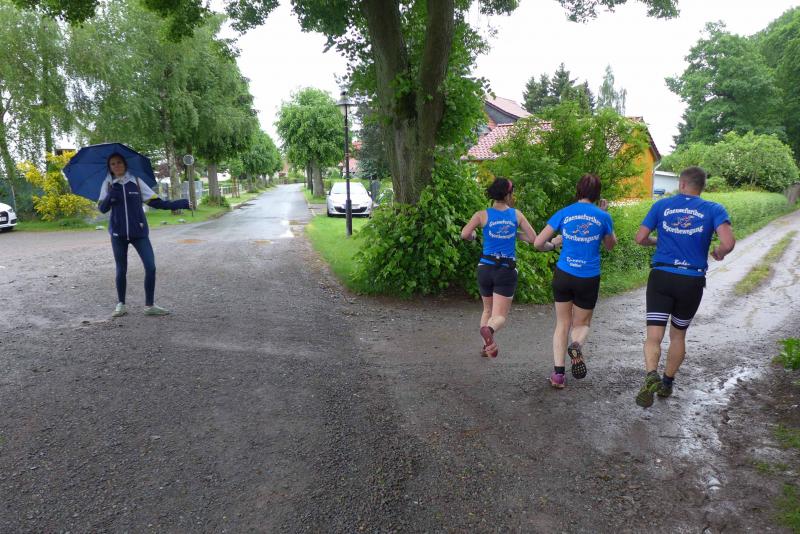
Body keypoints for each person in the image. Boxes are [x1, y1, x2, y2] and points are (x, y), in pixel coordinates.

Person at [634, 166, 735, 407]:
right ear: (702, 187)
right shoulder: (714, 209)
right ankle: (667, 383)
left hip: (662, 276)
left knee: (654, 335)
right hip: (691, 280)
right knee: (678, 335)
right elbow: (728, 242)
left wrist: (658, 241)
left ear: (681, 184)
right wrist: (719, 252)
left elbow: (640, 238)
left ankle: (651, 374)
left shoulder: (661, 205)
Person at [534, 174, 617, 388]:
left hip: (564, 274)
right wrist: (605, 217)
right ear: (597, 194)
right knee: (582, 324)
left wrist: (553, 244)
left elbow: (538, 242)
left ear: (578, 190)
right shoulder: (603, 216)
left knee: (562, 323)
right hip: (588, 278)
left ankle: (558, 375)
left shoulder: (564, 212)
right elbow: (610, 246)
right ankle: (577, 345)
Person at [97, 153, 190, 318]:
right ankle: (121, 304)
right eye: (113, 164)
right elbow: (102, 209)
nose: (116, 166)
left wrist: (182, 203)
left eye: (119, 162)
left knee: (150, 266)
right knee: (121, 269)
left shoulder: (137, 182)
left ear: (125, 164)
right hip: (118, 234)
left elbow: (158, 203)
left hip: (139, 233)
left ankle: (150, 305)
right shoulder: (108, 184)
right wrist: (111, 194)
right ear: (109, 167)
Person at [461, 177, 538, 357]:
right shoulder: (516, 215)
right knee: (500, 316)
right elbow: (534, 238)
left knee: (487, 310)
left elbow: (465, 234)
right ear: (508, 194)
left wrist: (473, 236)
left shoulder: (482, 215)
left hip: (485, 268)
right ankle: (489, 330)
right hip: (505, 270)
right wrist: (514, 233)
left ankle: (485, 347)